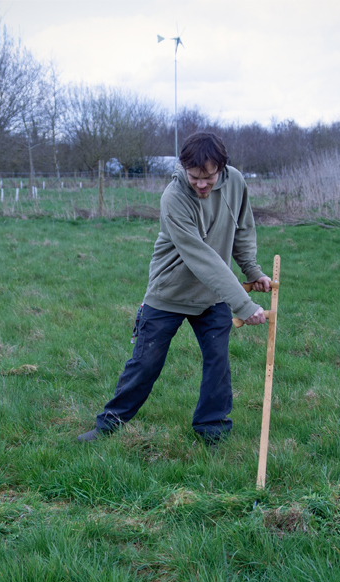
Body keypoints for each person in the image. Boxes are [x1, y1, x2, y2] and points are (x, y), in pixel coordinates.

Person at [77, 132, 271, 445]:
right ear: (183, 168)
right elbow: (202, 258)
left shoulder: (235, 183)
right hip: (169, 292)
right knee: (145, 363)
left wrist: (253, 271)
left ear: (222, 168)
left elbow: (243, 229)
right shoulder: (174, 197)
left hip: (213, 295)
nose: (202, 184)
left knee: (218, 362)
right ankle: (107, 426)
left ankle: (212, 431)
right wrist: (244, 305)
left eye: (208, 177)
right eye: (195, 177)